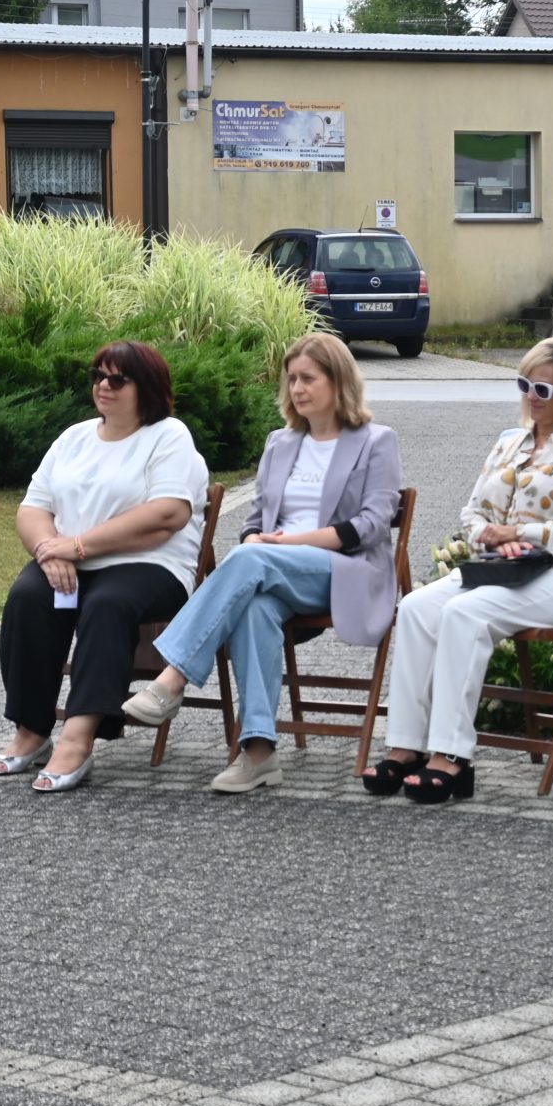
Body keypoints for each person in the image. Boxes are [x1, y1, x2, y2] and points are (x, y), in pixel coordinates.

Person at [120, 334, 404, 793]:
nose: (297, 388)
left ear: (339, 381)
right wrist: (259, 540)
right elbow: (254, 523)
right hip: (272, 570)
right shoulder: (280, 442)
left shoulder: (375, 441)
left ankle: (172, 678)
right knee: (254, 606)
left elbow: (371, 525)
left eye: (308, 378)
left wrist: (289, 543)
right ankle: (258, 752)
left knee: (253, 559)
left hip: (343, 570)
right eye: (291, 379)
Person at [369, 336, 553, 804]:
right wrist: (489, 534)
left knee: (465, 613)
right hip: (501, 569)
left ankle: (452, 756)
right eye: (524, 385)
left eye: (542, 389)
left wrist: (521, 533)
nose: (530, 397)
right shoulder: (510, 441)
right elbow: (472, 511)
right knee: (417, 607)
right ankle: (406, 745)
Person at [0, 341, 209, 793]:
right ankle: (31, 730)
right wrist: (49, 550)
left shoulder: (168, 436)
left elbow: (168, 514)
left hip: (149, 564)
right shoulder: (74, 437)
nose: (103, 386)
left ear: (146, 387)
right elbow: (32, 508)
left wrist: (78, 545)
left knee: (107, 604)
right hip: (69, 561)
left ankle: (78, 736)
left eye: (117, 379)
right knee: (28, 596)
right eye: (97, 376)